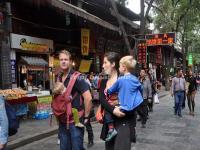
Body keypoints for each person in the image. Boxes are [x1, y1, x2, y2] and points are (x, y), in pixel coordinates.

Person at [99, 52, 138, 150]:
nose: (102, 66)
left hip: (124, 122)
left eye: (105, 63)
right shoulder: (103, 81)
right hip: (109, 125)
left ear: (113, 64)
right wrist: (113, 110)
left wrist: (120, 103)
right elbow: (102, 100)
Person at [57, 50, 92, 150]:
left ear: (70, 61)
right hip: (63, 121)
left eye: (66, 59)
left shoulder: (78, 77)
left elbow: (88, 98)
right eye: (61, 59)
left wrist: (86, 117)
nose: (63, 62)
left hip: (75, 121)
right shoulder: (59, 77)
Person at [105, 56, 143, 141]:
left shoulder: (120, 80)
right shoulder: (135, 79)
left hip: (124, 107)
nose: (118, 68)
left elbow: (111, 90)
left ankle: (111, 129)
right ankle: (132, 133)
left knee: (108, 109)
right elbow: (141, 88)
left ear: (124, 68)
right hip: (133, 106)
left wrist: (107, 90)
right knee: (132, 119)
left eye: (119, 66)